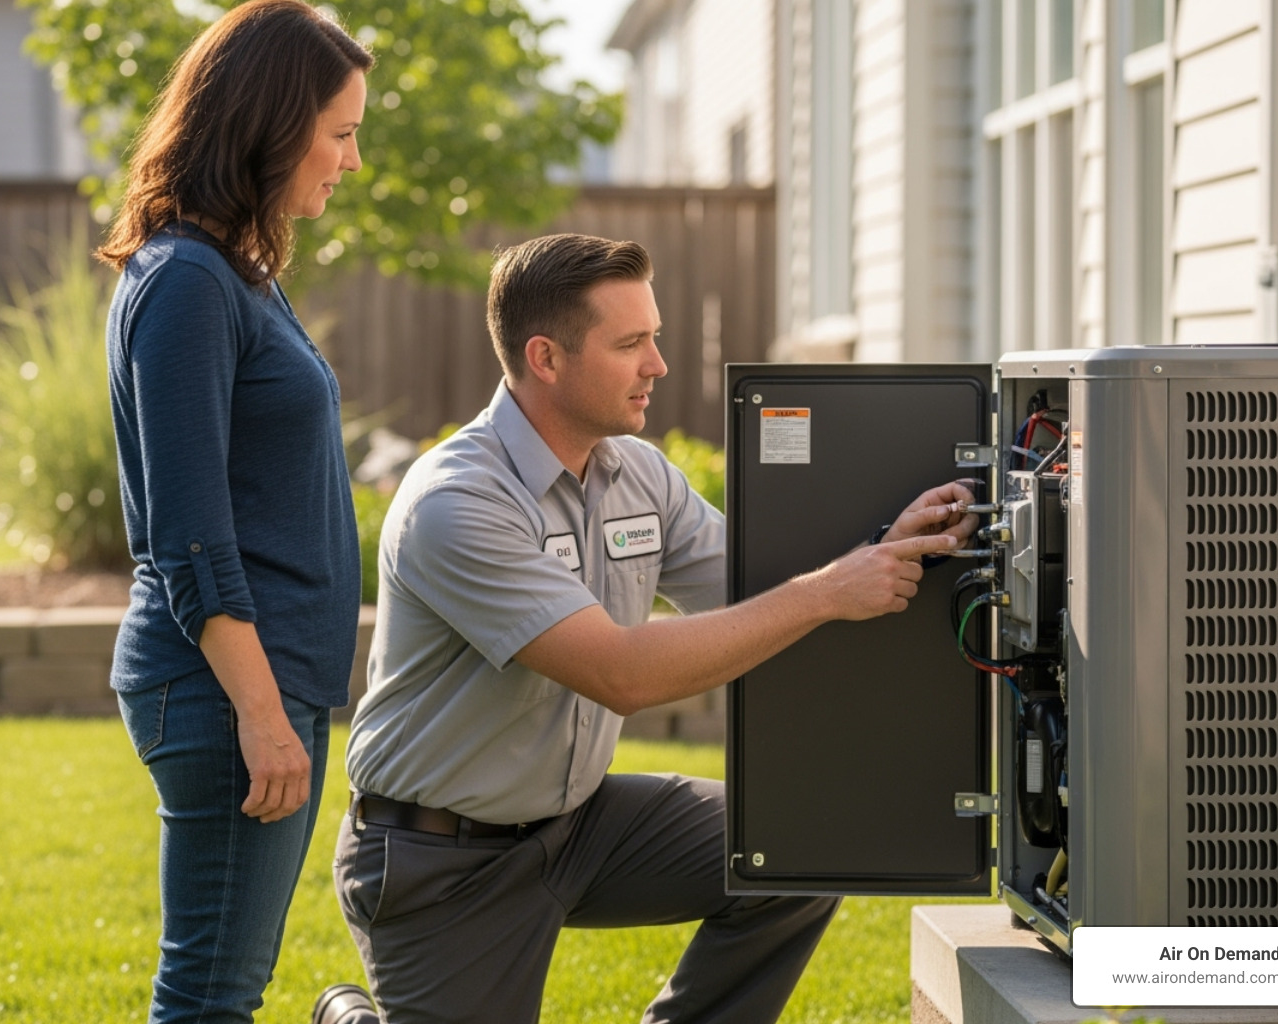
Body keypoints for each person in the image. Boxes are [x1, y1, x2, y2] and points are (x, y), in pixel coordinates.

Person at [314, 233, 977, 1024]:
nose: (658, 364)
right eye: (631, 344)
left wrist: (883, 550)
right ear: (546, 358)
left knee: (800, 846)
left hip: (582, 825)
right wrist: (827, 592)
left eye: (654, 337)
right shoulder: (457, 503)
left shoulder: (638, 474)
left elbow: (755, 592)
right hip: (441, 857)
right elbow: (622, 673)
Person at [98, 4, 374, 1022]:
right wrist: (262, 715)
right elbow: (190, 534)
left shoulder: (233, 275)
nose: (352, 159)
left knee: (221, 990)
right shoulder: (186, 284)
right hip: (223, 693)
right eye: (340, 132)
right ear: (268, 123)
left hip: (255, 687)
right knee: (211, 999)